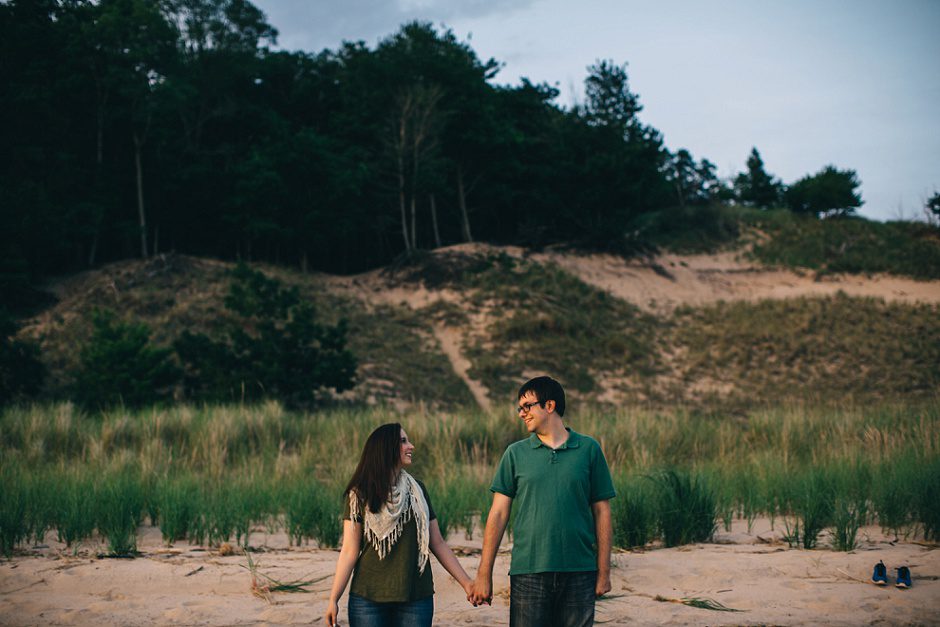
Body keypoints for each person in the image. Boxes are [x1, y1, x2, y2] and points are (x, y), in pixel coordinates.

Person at [469, 376, 616, 627]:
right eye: (519, 408)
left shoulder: (589, 450)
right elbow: (498, 514)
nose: (521, 414)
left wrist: (603, 572)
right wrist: (484, 574)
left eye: (527, 406)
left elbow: (602, 512)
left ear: (550, 405)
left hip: (579, 572)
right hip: (528, 572)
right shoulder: (515, 453)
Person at [325, 423, 474, 627]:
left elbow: (437, 543)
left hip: (415, 598)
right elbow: (350, 551)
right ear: (386, 448)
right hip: (367, 599)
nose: (411, 446)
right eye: (403, 441)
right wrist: (333, 599)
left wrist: (467, 583)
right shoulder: (359, 495)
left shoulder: (418, 490)